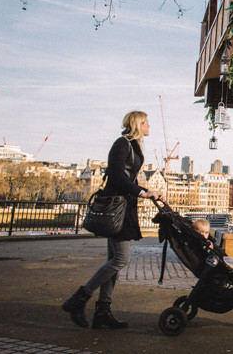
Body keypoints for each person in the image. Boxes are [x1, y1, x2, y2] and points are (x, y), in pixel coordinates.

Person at [62, 111, 164, 329]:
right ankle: (79, 298)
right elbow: (117, 176)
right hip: (118, 208)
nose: (149, 125)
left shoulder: (134, 146)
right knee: (121, 259)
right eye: (146, 122)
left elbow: (129, 177)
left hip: (125, 207)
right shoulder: (122, 144)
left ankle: (102, 311)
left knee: (114, 260)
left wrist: (149, 190)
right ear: (138, 124)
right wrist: (142, 193)